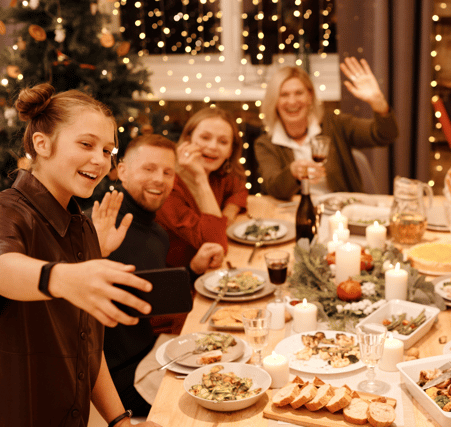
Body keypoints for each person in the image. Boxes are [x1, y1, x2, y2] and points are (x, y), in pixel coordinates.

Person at [0, 83, 160, 427]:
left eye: (108, 150)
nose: (100, 160)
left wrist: (118, 420)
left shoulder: (82, 227)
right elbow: (1, 270)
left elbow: (86, 343)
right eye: (86, 144)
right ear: (42, 144)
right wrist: (62, 277)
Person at [98, 134, 224, 417]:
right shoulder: (101, 229)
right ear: (123, 171)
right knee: (218, 395)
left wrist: (193, 271)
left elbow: (151, 293)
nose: (160, 179)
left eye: (168, 172)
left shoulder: (154, 231)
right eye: (149, 169)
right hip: (120, 378)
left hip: (154, 351)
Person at [254, 57, 398, 200]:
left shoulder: (336, 124)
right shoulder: (265, 144)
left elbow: (384, 135)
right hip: (297, 212)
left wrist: (379, 103)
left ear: (310, 97)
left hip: (342, 211)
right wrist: (292, 173)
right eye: (284, 95)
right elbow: (274, 189)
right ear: (275, 101)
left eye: (299, 93)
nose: (292, 101)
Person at [155, 107, 248, 269]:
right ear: (188, 140)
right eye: (205, 138)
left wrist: (228, 213)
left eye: (223, 142)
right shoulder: (167, 185)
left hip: (209, 270)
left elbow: (239, 189)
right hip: (180, 278)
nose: (213, 146)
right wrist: (200, 179)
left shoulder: (217, 173)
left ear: (230, 151)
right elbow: (215, 245)